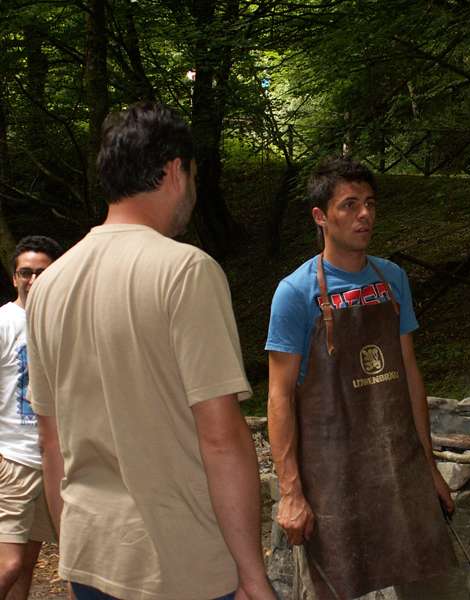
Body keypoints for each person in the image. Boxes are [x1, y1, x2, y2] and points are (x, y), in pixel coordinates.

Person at [25, 102, 276, 600]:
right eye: (195, 176)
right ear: (176, 171)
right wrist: (252, 574)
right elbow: (221, 438)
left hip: (92, 556)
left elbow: (50, 443)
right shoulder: (186, 272)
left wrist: (74, 557)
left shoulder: (50, 285)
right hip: (181, 562)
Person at [266, 156, 463, 600]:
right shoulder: (295, 293)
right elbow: (278, 397)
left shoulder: (391, 278)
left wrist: (428, 466)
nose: (364, 215)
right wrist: (291, 491)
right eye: (349, 205)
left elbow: (409, 371)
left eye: (370, 203)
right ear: (320, 217)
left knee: (433, 586)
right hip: (331, 477)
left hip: (399, 466)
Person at [0, 236, 62, 600]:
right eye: (26, 272)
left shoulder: (65, 324)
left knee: (25, 567)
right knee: (8, 566)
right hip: (13, 461)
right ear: (14, 278)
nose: (33, 280)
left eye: (43, 272)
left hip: (54, 462)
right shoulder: (4, 323)